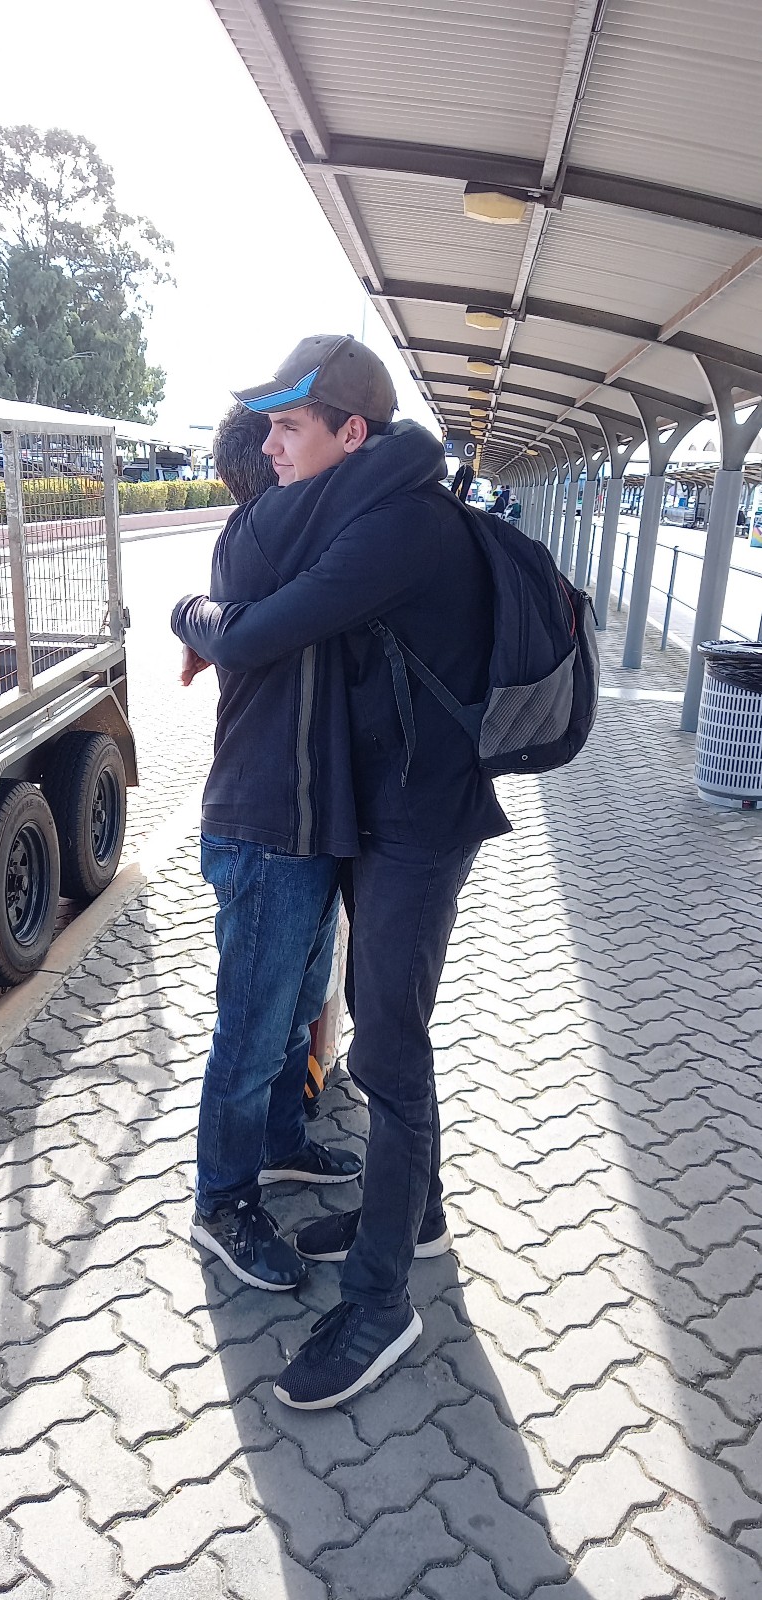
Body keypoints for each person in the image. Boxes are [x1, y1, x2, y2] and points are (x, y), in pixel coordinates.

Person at [173, 334, 510, 1408]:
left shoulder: (398, 524)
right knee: (370, 1027)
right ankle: (414, 1213)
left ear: (350, 432)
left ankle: (380, 1300)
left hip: (419, 824)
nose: (271, 445)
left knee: (389, 1052)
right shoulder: (373, 500)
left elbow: (256, 630)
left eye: (289, 426)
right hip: (381, 815)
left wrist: (189, 616)